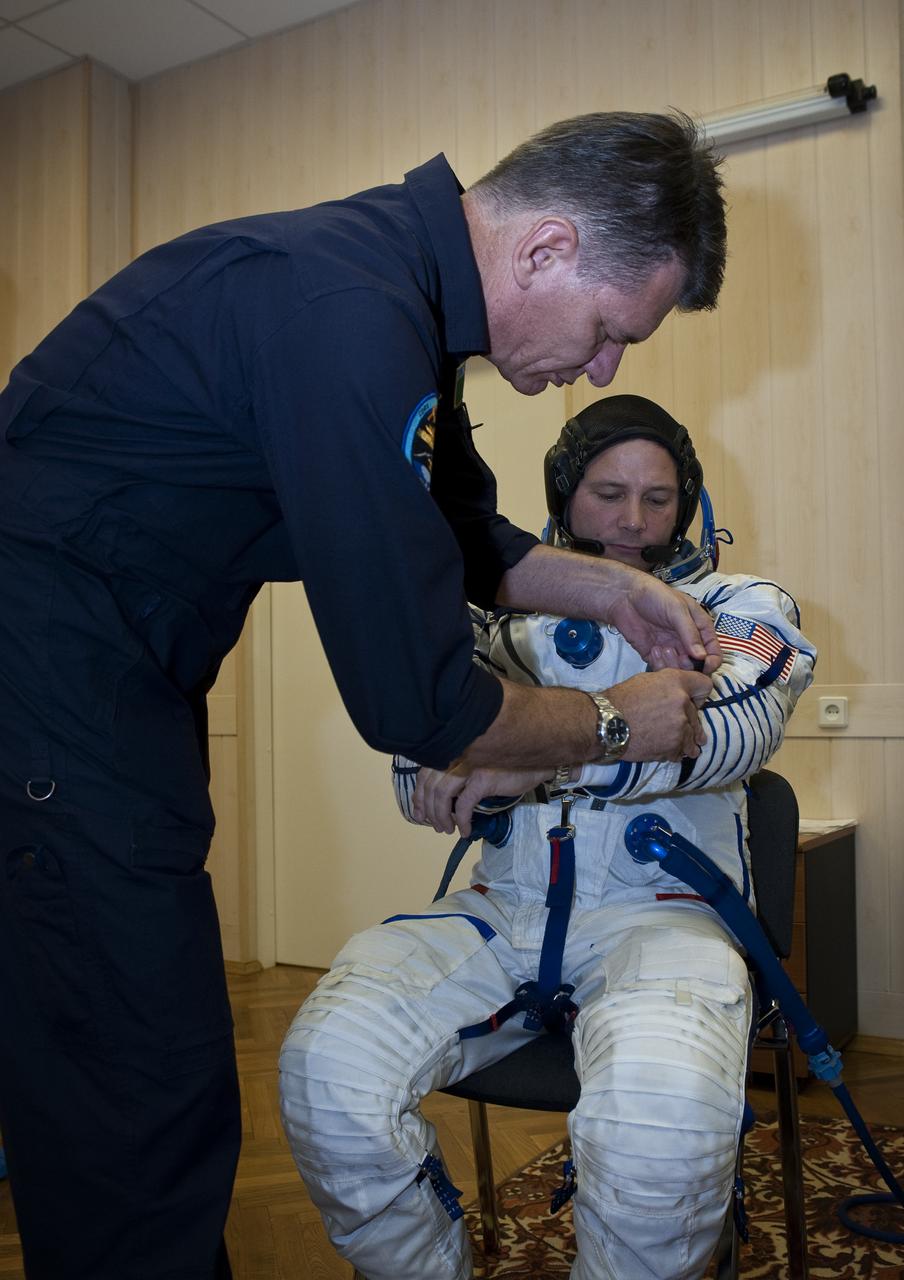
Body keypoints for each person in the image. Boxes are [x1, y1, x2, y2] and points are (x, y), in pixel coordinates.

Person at [0, 113, 726, 1279]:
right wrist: (614, 720)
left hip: (105, 686)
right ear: (544, 249)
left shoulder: (391, 304)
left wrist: (599, 588)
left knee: (117, 1073)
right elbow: (423, 703)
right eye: (608, 333)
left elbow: (461, 530)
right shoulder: (345, 318)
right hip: (49, 697)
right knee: (136, 1097)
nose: (601, 372)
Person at [279, 394, 816, 1280]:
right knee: (328, 1071)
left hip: (664, 923)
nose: (634, 521)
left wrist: (527, 759)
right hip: (503, 911)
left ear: (690, 502)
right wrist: (486, 758)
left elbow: (729, 732)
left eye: (658, 496)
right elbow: (420, 765)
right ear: (563, 494)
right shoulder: (493, 620)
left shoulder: (737, 603)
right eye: (608, 493)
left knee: (662, 1121)